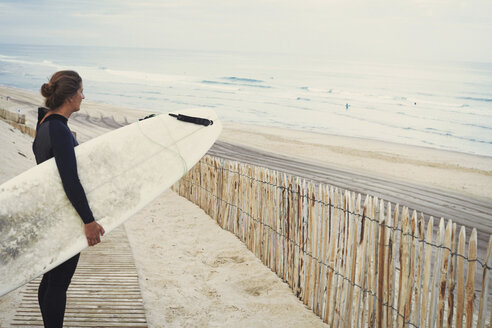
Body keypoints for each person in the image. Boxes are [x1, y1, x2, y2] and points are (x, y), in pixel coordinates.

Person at [33, 70, 105, 328]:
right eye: (81, 92)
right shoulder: (59, 130)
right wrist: (88, 221)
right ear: (70, 96)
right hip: (63, 216)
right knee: (58, 284)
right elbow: (70, 180)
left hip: (52, 213)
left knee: (51, 280)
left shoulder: (46, 122)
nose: (84, 97)